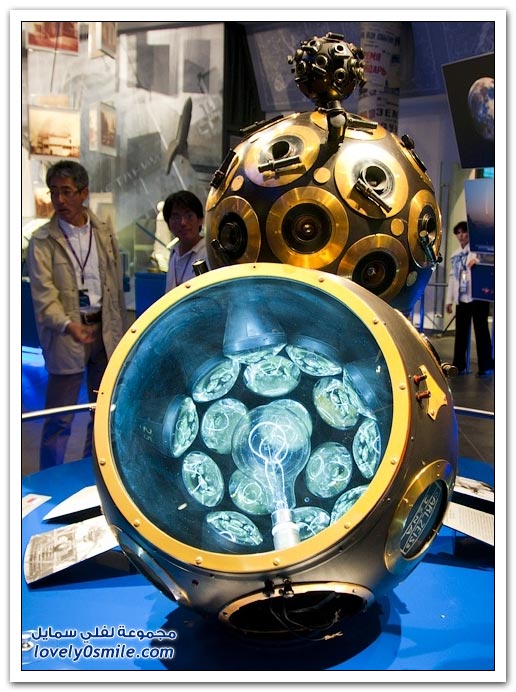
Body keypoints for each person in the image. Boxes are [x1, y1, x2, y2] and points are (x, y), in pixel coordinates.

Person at [26, 160, 128, 469]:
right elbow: (44, 297)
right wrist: (69, 326)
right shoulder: (41, 241)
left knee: (100, 412)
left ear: (83, 193)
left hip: (104, 333)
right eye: (54, 191)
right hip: (67, 335)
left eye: (67, 191)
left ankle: (91, 473)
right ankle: (50, 479)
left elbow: (115, 287)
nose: (59, 199)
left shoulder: (103, 232)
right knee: (59, 417)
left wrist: (119, 332)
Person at [445, 220, 494, 378]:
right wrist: (449, 300)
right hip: (462, 298)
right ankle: (459, 365)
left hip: (477, 296)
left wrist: (478, 261)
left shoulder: (478, 251)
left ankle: (486, 366)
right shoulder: (455, 255)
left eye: (464, 232)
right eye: (458, 233)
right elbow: (452, 277)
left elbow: (492, 260)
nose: (461, 235)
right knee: (460, 333)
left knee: (481, 332)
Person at [163, 190, 209, 291]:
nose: (183, 223)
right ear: (168, 224)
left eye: (189, 216)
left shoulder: (209, 253)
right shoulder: (174, 253)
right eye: (176, 217)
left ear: (200, 220)